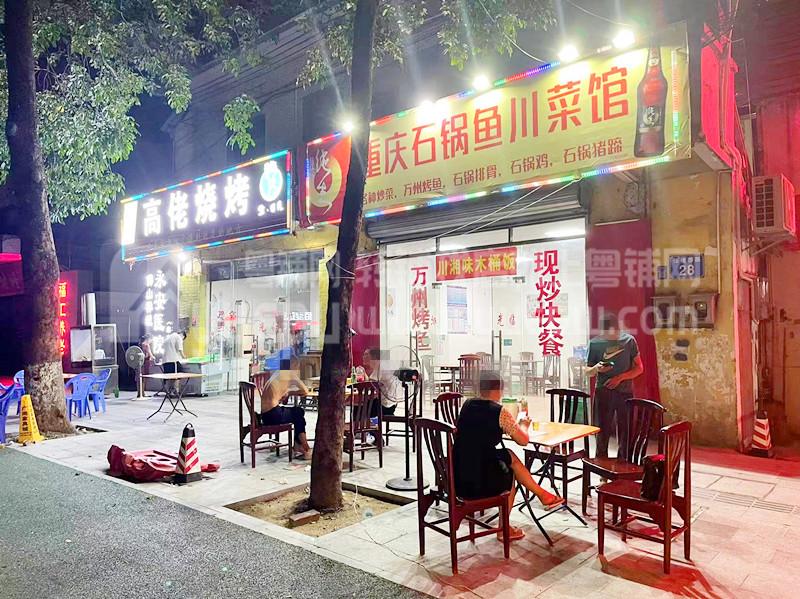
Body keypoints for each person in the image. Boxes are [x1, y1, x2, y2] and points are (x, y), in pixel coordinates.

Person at [453, 370, 564, 542]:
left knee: (508, 456)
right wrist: (524, 425)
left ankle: (543, 495)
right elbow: (523, 440)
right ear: (499, 389)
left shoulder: (467, 405)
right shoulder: (499, 411)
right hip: (478, 481)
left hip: (458, 473)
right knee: (509, 473)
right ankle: (504, 528)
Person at [586, 313, 644, 460]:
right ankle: (601, 464)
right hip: (603, 392)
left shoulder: (629, 341)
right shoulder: (595, 344)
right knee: (601, 431)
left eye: (614, 332)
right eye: (607, 334)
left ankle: (623, 463)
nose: (611, 336)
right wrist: (597, 368)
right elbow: (588, 371)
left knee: (625, 431)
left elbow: (639, 368)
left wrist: (620, 378)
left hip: (625, 393)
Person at [260, 357, 313, 459]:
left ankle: (298, 445)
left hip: (265, 416)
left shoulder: (276, 373)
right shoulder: (290, 374)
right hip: (273, 415)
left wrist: (288, 392)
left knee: (297, 413)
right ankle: (305, 447)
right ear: (293, 366)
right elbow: (305, 391)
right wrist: (290, 392)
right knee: (298, 413)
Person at [362, 348, 403, 417]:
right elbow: (373, 383)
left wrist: (363, 373)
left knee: (357, 408)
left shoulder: (379, 366)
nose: (363, 357)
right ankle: (371, 422)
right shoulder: (384, 365)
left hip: (384, 405)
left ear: (374, 357)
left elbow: (369, 386)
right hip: (392, 404)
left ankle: (364, 423)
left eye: (366, 354)